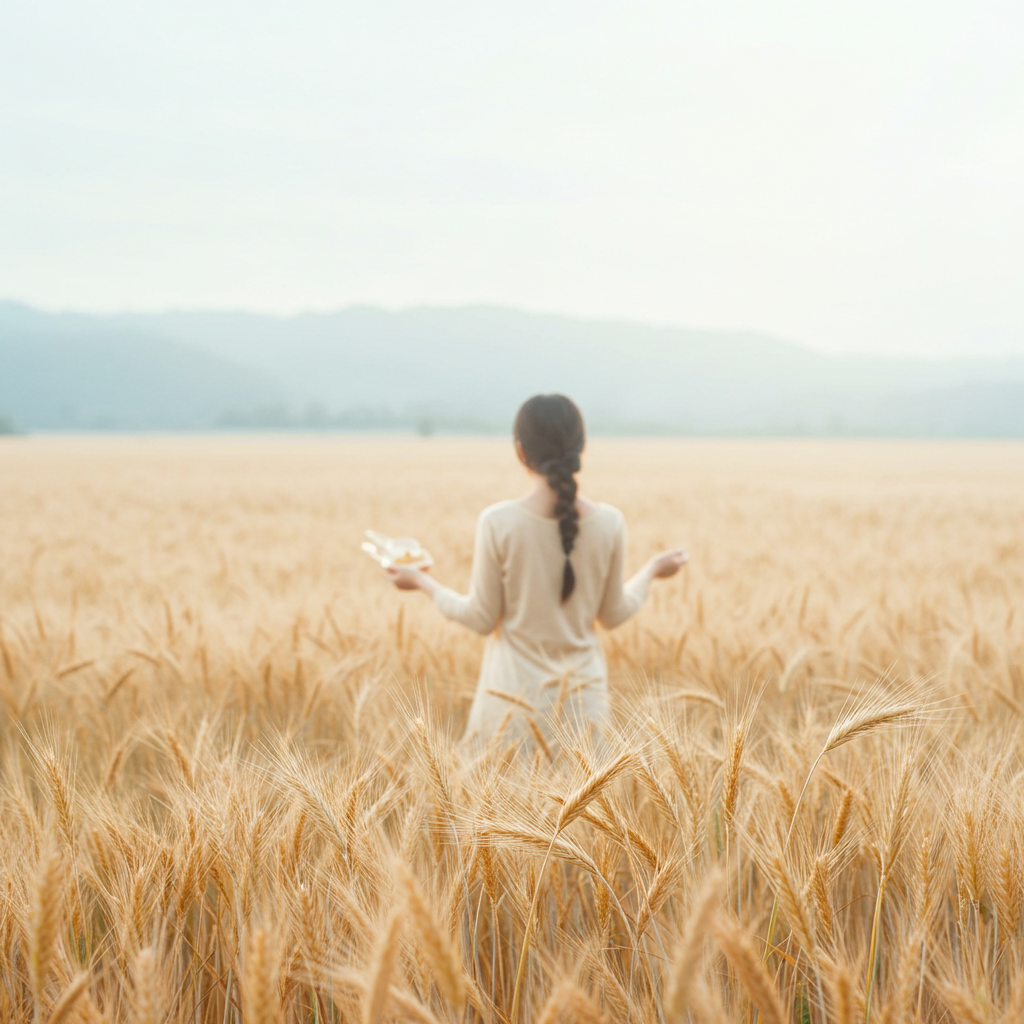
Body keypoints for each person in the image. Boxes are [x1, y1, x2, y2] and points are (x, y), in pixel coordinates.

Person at [384, 394, 688, 743]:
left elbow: (481, 618)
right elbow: (612, 615)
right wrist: (651, 571)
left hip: (510, 709)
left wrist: (421, 580)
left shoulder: (499, 522)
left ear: (521, 452)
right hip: (583, 713)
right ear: (580, 449)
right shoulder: (610, 523)